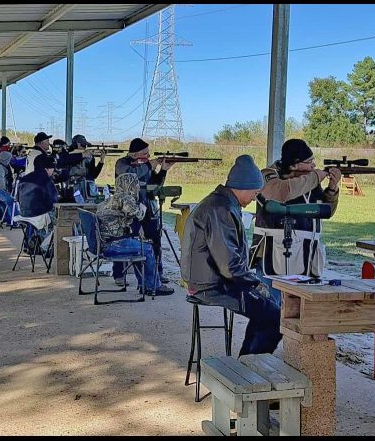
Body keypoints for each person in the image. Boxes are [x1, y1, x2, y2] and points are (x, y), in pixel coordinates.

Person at [180, 155, 281, 355]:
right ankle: (249, 369)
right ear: (244, 186)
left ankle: (248, 364)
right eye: (255, 192)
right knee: (274, 316)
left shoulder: (222, 203)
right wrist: (254, 282)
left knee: (267, 309)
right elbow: (229, 266)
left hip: (211, 279)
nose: (255, 198)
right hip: (211, 285)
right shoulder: (220, 209)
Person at [254, 139, 341, 277]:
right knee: (272, 298)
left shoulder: (308, 179)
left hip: (308, 255)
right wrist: (316, 176)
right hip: (272, 254)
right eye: (309, 162)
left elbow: (326, 210)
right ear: (294, 165)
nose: (313, 166)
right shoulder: (267, 175)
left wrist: (332, 189)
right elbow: (281, 192)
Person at [96, 173, 174, 296]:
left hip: (104, 244)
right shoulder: (125, 198)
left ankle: (144, 284)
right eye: (136, 184)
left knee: (139, 247)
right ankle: (153, 286)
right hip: (114, 244)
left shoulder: (111, 199)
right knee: (147, 249)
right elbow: (139, 215)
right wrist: (142, 205)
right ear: (131, 185)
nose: (138, 187)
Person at [113, 137, 176, 286]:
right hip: (128, 208)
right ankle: (119, 274)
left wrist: (163, 170)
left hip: (148, 205)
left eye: (148, 154)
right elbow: (130, 175)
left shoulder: (145, 165)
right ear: (134, 155)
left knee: (155, 239)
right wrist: (149, 165)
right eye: (145, 153)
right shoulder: (122, 163)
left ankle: (157, 273)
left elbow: (155, 185)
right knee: (125, 238)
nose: (148, 156)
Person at [14, 154, 59, 247]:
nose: (53, 171)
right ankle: (45, 244)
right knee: (61, 218)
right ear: (47, 169)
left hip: (23, 213)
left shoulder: (24, 178)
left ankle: (32, 240)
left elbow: (17, 197)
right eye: (52, 169)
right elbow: (53, 201)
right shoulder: (46, 180)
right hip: (39, 215)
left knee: (35, 213)